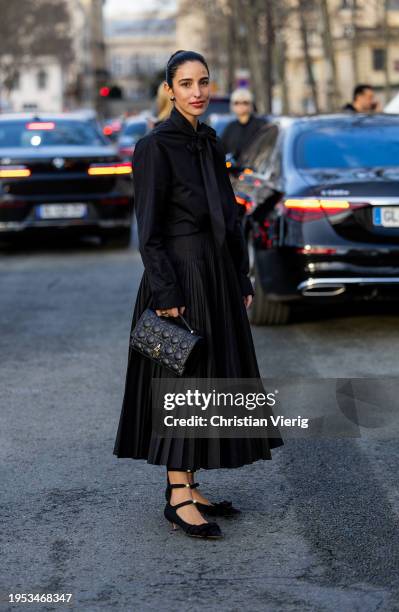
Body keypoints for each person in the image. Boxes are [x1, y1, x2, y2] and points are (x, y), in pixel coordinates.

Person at [113, 50, 284, 540]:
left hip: (217, 278)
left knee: (209, 378)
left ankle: (194, 482)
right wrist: (166, 291)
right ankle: (177, 493)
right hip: (179, 279)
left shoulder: (209, 142)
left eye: (203, 81)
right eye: (185, 83)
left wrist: (241, 278)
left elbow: (229, 220)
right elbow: (148, 230)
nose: (197, 91)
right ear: (169, 89)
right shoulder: (154, 147)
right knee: (179, 381)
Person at [221, 88, 267, 162]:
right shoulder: (230, 128)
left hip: (255, 169)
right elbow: (222, 151)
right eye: (237, 103)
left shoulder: (261, 125)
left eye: (245, 102)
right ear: (232, 106)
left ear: (251, 105)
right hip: (234, 170)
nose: (241, 106)